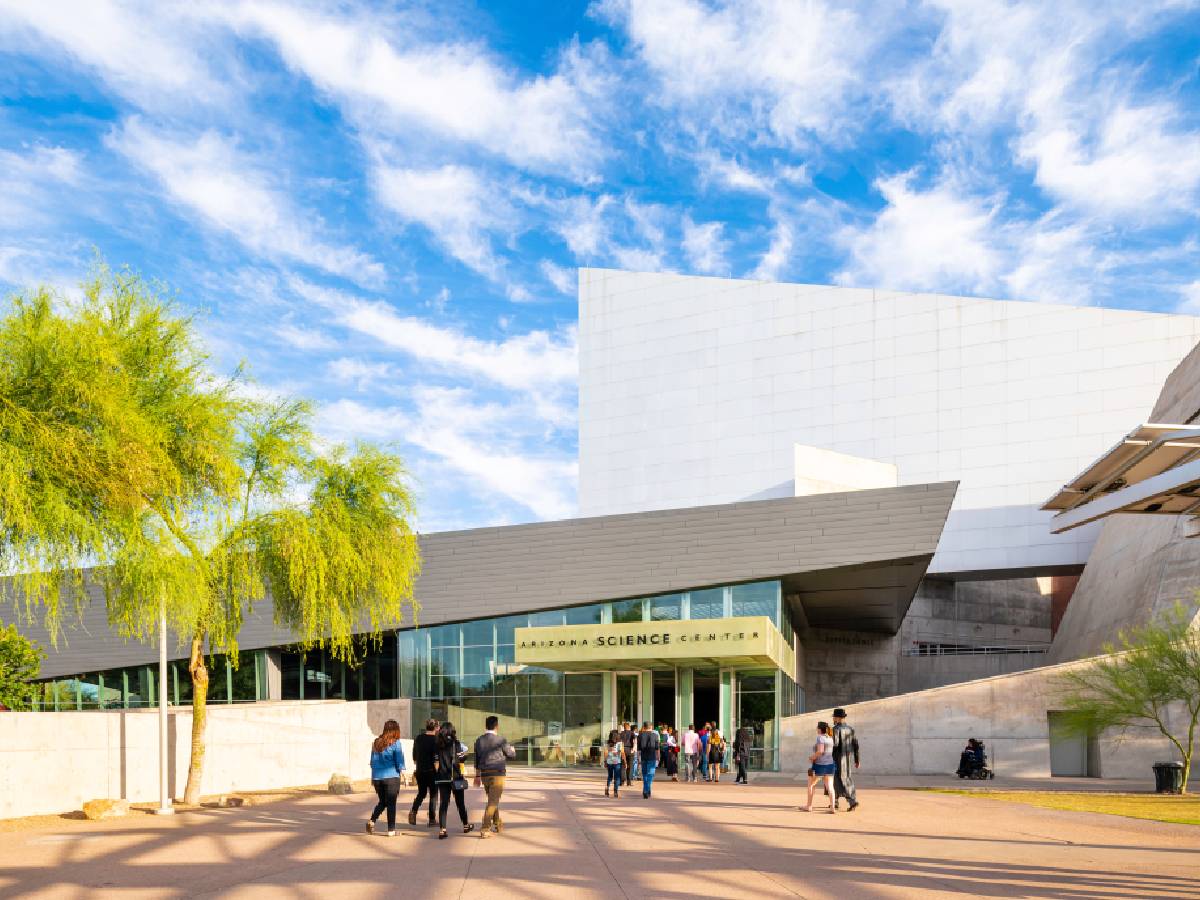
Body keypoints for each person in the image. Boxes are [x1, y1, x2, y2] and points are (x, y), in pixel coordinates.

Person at [474, 715, 516, 838]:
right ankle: (485, 828)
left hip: (484, 775)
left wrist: (477, 776)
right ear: (497, 726)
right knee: (493, 802)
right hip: (497, 774)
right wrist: (513, 750)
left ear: (485, 726)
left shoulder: (479, 740)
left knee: (492, 800)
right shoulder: (501, 740)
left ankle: (497, 823)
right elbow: (511, 755)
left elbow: (476, 760)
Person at [433, 721, 474, 839]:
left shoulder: (438, 744)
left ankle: (442, 830)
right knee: (460, 803)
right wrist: (464, 756)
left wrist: (438, 771)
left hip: (442, 778)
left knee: (443, 804)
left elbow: (435, 762)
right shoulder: (456, 744)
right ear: (452, 731)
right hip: (455, 777)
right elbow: (461, 759)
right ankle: (466, 825)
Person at [366, 719, 406, 836]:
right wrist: (401, 771)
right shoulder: (396, 743)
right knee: (391, 804)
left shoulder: (376, 742)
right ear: (395, 730)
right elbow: (399, 761)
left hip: (377, 777)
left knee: (383, 802)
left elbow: (372, 762)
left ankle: (372, 821)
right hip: (392, 776)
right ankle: (391, 830)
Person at [408, 717, 440, 827]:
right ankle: (432, 819)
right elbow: (436, 760)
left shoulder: (418, 738)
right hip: (431, 771)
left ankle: (413, 811)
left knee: (421, 793)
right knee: (433, 795)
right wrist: (438, 771)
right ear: (436, 728)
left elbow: (414, 758)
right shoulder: (436, 740)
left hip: (420, 771)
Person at [802, 722, 837, 814]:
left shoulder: (820, 737)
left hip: (819, 765)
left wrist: (812, 757)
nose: (816, 729)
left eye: (817, 728)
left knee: (811, 785)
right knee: (830, 787)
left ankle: (809, 806)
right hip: (830, 765)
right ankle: (832, 807)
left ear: (820, 729)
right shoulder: (830, 738)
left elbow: (820, 751)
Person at [831, 707, 860, 811]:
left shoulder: (835, 729)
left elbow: (835, 745)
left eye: (834, 717)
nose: (833, 719)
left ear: (838, 718)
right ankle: (837, 801)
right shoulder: (850, 729)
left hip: (837, 758)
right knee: (846, 777)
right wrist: (857, 759)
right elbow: (856, 744)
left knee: (836, 778)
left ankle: (849, 801)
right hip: (847, 758)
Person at [636, 721, 660, 798]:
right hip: (652, 757)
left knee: (645, 774)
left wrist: (638, 758)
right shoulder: (655, 735)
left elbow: (638, 749)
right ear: (651, 727)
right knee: (651, 774)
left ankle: (646, 790)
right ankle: (646, 790)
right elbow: (657, 748)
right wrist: (658, 756)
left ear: (644, 727)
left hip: (643, 757)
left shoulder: (640, 736)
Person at [603, 729, 626, 797]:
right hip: (617, 762)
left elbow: (605, 753)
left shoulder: (607, 743)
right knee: (617, 777)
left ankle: (607, 787)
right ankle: (615, 792)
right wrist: (625, 761)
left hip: (609, 762)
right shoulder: (620, 743)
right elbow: (622, 753)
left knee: (610, 776)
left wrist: (605, 761)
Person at [619, 721, 637, 786]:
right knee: (630, 766)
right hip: (630, 750)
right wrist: (634, 749)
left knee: (622, 765)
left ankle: (622, 781)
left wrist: (620, 750)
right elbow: (635, 741)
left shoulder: (621, 733)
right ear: (629, 727)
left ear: (624, 727)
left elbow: (620, 742)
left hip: (623, 750)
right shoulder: (632, 733)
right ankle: (629, 782)